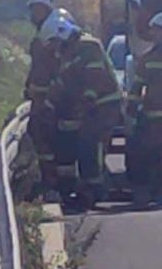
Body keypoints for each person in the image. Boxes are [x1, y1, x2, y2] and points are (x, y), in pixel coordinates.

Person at [42, 17, 122, 208]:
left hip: (104, 104)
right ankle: (89, 187)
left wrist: (86, 100)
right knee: (84, 144)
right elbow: (63, 83)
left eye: (55, 41)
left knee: (91, 144)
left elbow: (93, 78)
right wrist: (49, 104)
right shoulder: (66, 52)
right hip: (89, 107)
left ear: (62, 34)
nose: (54, 46)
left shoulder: (88, 46)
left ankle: (96, 190)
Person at [24, 0, 75, 193]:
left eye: (38, 9)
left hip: (54, 101)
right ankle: (55, 182)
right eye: (33, 9)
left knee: (52, 142)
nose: (35, 14)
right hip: (48, 100)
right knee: (49, 141)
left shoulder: (52, 31)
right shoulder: (46, 30)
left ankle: (55, 183)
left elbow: (52, 71)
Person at [126, 12, 162, 205]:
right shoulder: (146, 59)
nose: (154, 35)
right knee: (154, 157)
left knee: (155, 156)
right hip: (152, 119)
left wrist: (131, 113)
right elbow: (136, 89)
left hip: (153, 118)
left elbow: (136, 90)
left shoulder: (147, 59)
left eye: (157, 31)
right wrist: (131, 113)